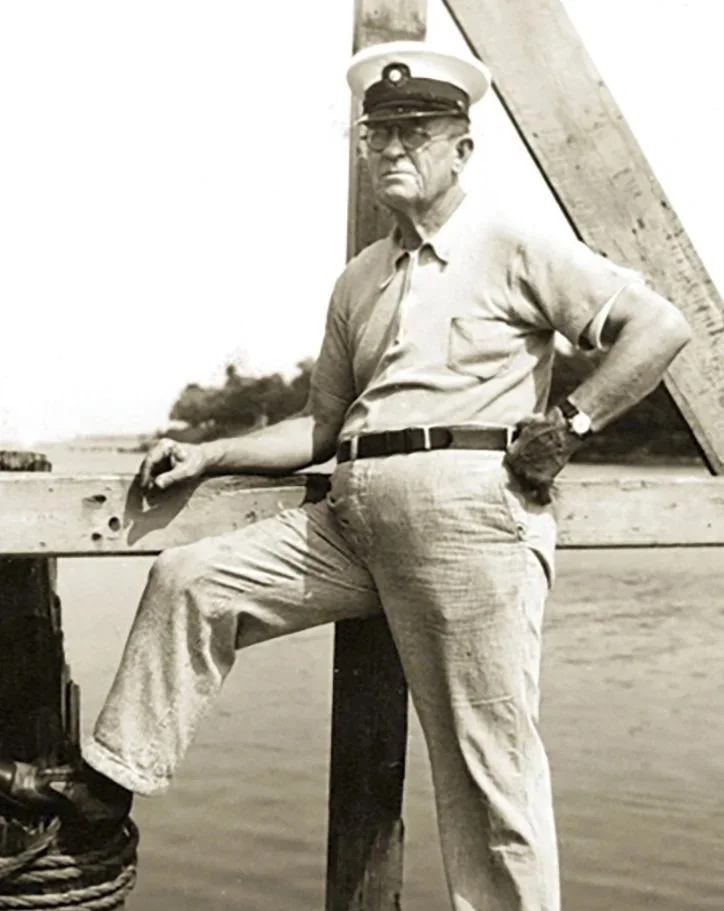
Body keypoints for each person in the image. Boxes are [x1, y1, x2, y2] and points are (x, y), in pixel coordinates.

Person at [0, 41, 691, 911]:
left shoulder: (512, 242)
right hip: (351, 519)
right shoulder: (359, 279)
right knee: (192, 579)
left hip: (468, 524)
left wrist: (572, 424)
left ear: (461, 149)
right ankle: (107, 788)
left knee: (489, 768)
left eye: (414, 132)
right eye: (377, 135)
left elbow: (660, 327)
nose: (391, 148)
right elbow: (320, 429)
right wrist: (210, 454)